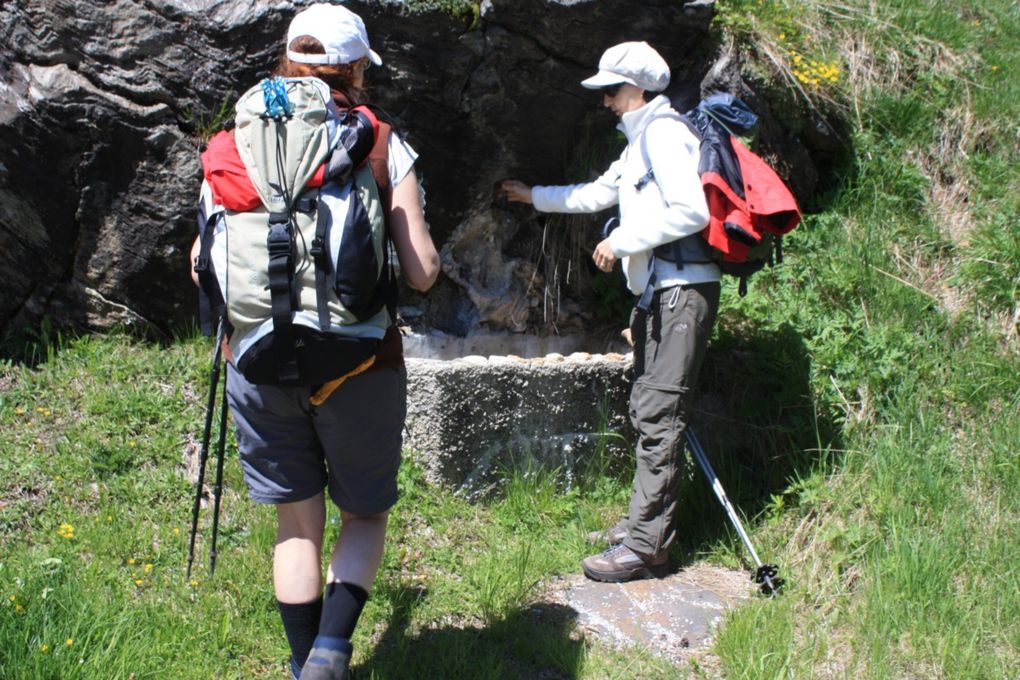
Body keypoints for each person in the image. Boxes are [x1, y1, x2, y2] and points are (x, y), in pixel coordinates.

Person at [190, 4, 438, 678]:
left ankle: (306, 667)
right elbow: (419, 272)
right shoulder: (380, 142)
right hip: (358, 363)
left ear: (286, 61)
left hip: (258, 362)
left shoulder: (231, 142)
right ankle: (331, 653)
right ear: (355, 67)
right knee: (361, 517)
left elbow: (199, 261)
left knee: (296, 526)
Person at [501, 41, 720, 583]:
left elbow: (690, 210)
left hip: (680, 294)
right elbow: (595, 194)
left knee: (659, 417)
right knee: (650, 410)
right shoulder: (640, 142)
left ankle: (648, 548)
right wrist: (533, 197)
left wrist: (623, 241)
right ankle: (642, 526)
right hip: (658, 295)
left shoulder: (666, 135)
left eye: (611, 91)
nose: (605, 102)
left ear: (639, 89)